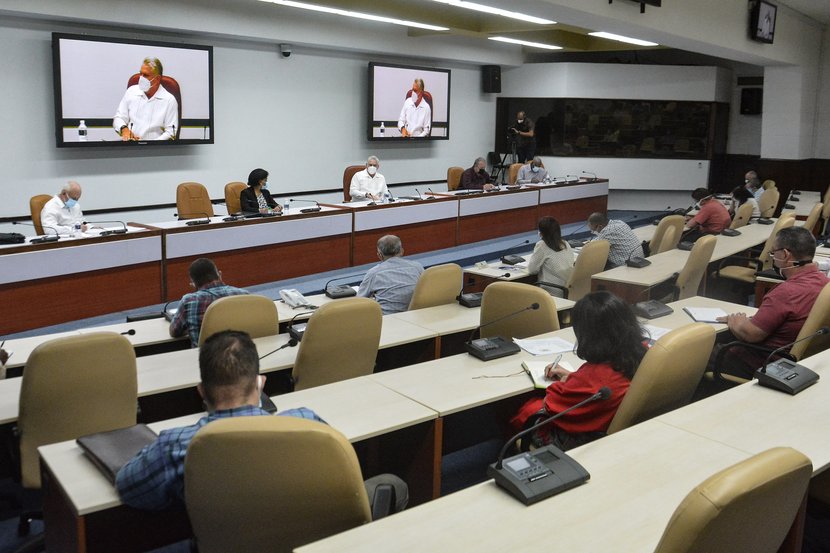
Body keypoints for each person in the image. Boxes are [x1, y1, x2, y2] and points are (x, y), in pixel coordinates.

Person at [116, 330, 321, 510]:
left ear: (201, 391)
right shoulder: (307, 422)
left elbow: (128, 487)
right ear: (261, 384)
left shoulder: (173, 446)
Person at [510, 292, 647, 450]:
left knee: (520, 407)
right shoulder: (643, 353)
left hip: (582, 439)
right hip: (618, 430)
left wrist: (565, 382)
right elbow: (598, 384)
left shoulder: (596, 377)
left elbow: (553, 403)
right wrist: (572, 377)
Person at [716, 227, 830, 378]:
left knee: (700, 354)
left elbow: (751, 335)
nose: (773, 258)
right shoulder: (825, 283)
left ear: (784, 254)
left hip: (765, 362)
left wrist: (735, 320)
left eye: (773, 253)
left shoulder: (787, 292)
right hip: (802, 363)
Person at [169, 258, 249, 346]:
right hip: (242, 354)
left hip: (206, 358)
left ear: (193, 284)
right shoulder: (244, 295)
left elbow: (174, 331)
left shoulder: (189, 301)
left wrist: (191, 326)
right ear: (220, 275)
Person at [113, 57, 178, 141]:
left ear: (157, 79)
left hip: (156, 149)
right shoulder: (131, 91)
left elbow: (171, 133)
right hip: (130, 146)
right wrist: (124, 130)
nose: (141, 78)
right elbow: (119, 118)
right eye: (141, 74)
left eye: (146, 75)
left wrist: (150, 146)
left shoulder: (169, 100)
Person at [357, 235, 423, 314]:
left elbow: (359, 301)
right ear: (402, 251)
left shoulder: (374, 273)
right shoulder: (417, 267)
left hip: (387, 321)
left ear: (380, 255)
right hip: (415, 317)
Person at [527, 217, 574, 298]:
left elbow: (532, 270)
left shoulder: (542, 245)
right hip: (568, 288)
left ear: (542, 232)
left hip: (552, 290)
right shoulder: (565, 243)